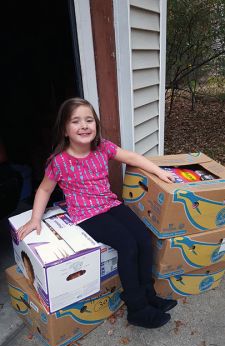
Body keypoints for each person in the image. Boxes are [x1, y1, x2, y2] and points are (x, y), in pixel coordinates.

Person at [18, 97, 177, 329]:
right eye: (76, 121)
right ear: (64, 129)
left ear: (96, 124)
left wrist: (159, 173)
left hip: (110, 204)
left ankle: (148, 294)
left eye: (89, 120)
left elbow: (132, 157)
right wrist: (35, 218)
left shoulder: (102, 147)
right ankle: (137, 308)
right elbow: (44, 189)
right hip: (86, 215)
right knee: (128, 245)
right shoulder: (59, 162)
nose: (84, 125)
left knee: (143, 238)